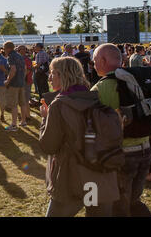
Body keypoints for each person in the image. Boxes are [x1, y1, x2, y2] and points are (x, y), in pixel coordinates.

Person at [39, 56, 119, 217]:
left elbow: (48, 145)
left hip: (72, 179)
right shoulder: (94, 97)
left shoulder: (59, 105)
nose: (49, 77)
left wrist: (44, 119)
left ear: (63, 75)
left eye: (53, 73)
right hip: (100, 176)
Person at [92, 43, 151, 217]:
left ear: (102, 60)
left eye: (94, 61)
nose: (93, 65)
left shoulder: (99, 89)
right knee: (133, 202)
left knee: (119, 207)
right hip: (145, 151)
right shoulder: (140, 81)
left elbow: (94, 130)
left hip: (121, 157)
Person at [3, 41, 26, 131]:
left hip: (14, 84)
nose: (4, 50)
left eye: (4, 48)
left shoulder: (11, 56)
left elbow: (13, 69)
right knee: (22, 103)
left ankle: (13, 125)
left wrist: (8, 81)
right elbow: (24, 69)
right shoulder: (19, 55)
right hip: (21, 83)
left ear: (8, 48)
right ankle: (23, 122)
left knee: (14, 105)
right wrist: (21, 79)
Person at [17, 45, 32, 126]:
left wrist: (21, 79)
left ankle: (27, 116)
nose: (22, 51)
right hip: (20, 81)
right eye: (20, 49)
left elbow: (28, 70)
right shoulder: (18, 59)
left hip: (26, 81)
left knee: (25, 99)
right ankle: (26, 115)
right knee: (22, 99)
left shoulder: (27, 59)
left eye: (23, 49)